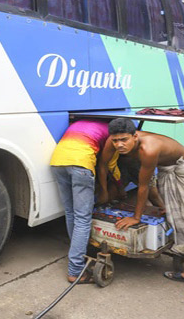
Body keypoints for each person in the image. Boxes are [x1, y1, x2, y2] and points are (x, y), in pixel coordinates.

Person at [98, 118, 184, 305]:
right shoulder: (113, 142)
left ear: (135, 136)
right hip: (167, 169)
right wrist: (104, 192)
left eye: (124, 140)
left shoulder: (148, 149)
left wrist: (136, 217)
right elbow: (102, 165)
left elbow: (143, 187)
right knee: (177, 219)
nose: (119, 145)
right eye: (115, 141)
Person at [50, 119, 115, 284]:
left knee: (71, 212)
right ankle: (75, 270)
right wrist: (118, 185)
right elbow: (110, 164)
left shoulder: (82, 123)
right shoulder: (112, 132)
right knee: (82, 219)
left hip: (57, 162)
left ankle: (78, 252)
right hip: (81, 165)